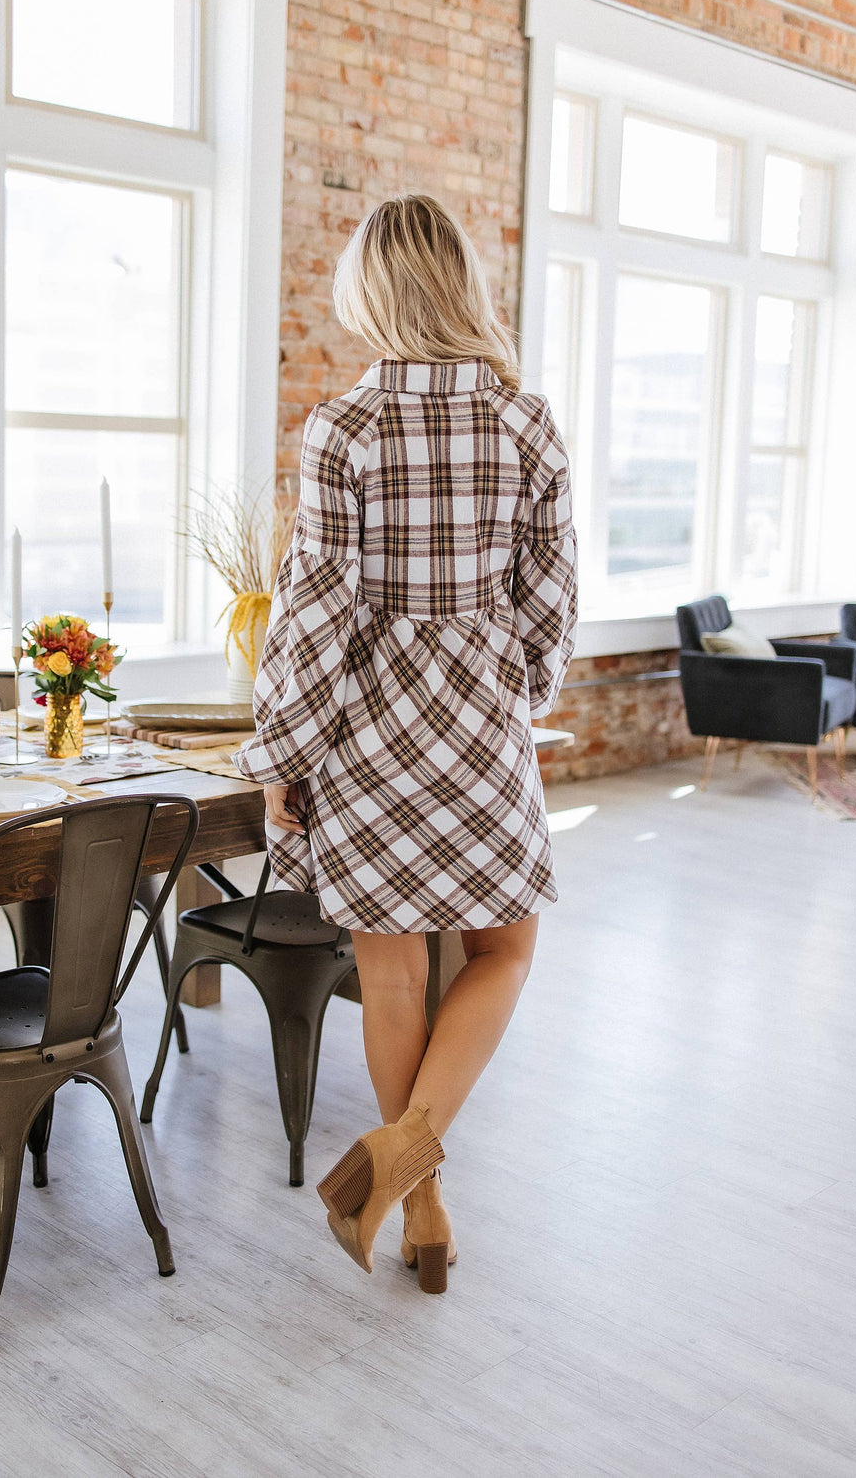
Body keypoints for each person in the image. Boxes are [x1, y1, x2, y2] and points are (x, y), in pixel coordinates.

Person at [234, 194, 577, 1293]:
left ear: (371, 293)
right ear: (463, 286)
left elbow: (314, 608)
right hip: (479, 729)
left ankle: (416, 1193)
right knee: (502, 951)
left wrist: (282, 750)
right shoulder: (527, 422)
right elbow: (554, 597)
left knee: (390, 980)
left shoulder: (342, 429)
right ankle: (407, 1185)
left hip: (366, 734)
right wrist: (509, 684)